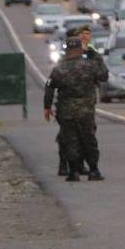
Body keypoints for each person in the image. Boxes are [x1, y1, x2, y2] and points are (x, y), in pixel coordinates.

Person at [44, 35, 108, 182]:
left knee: (70, 139)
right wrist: (97, 56)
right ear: (80, 49)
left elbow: (49, 87)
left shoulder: (59, 69)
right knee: (88, 139)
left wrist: (47, 107)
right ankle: (93, 170)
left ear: (67, 50)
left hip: (66, 110)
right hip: (85, 110)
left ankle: (73, 172)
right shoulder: (89, 65)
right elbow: (104, 76)